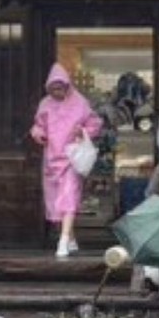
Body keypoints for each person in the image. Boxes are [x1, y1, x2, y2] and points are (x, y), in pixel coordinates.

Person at [29, 63, 101, 257]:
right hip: (51, 158)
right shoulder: (45, 104)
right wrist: (39, 134)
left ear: (67, 86)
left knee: (68, 197)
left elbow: (95, 123)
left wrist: (84, 131)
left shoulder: (80, 103)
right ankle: (71, 238)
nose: (57, 93)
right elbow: (37, 126)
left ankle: (63, 240)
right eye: (53, 89)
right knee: (56, 200)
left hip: (71, 156)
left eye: (60, 88)